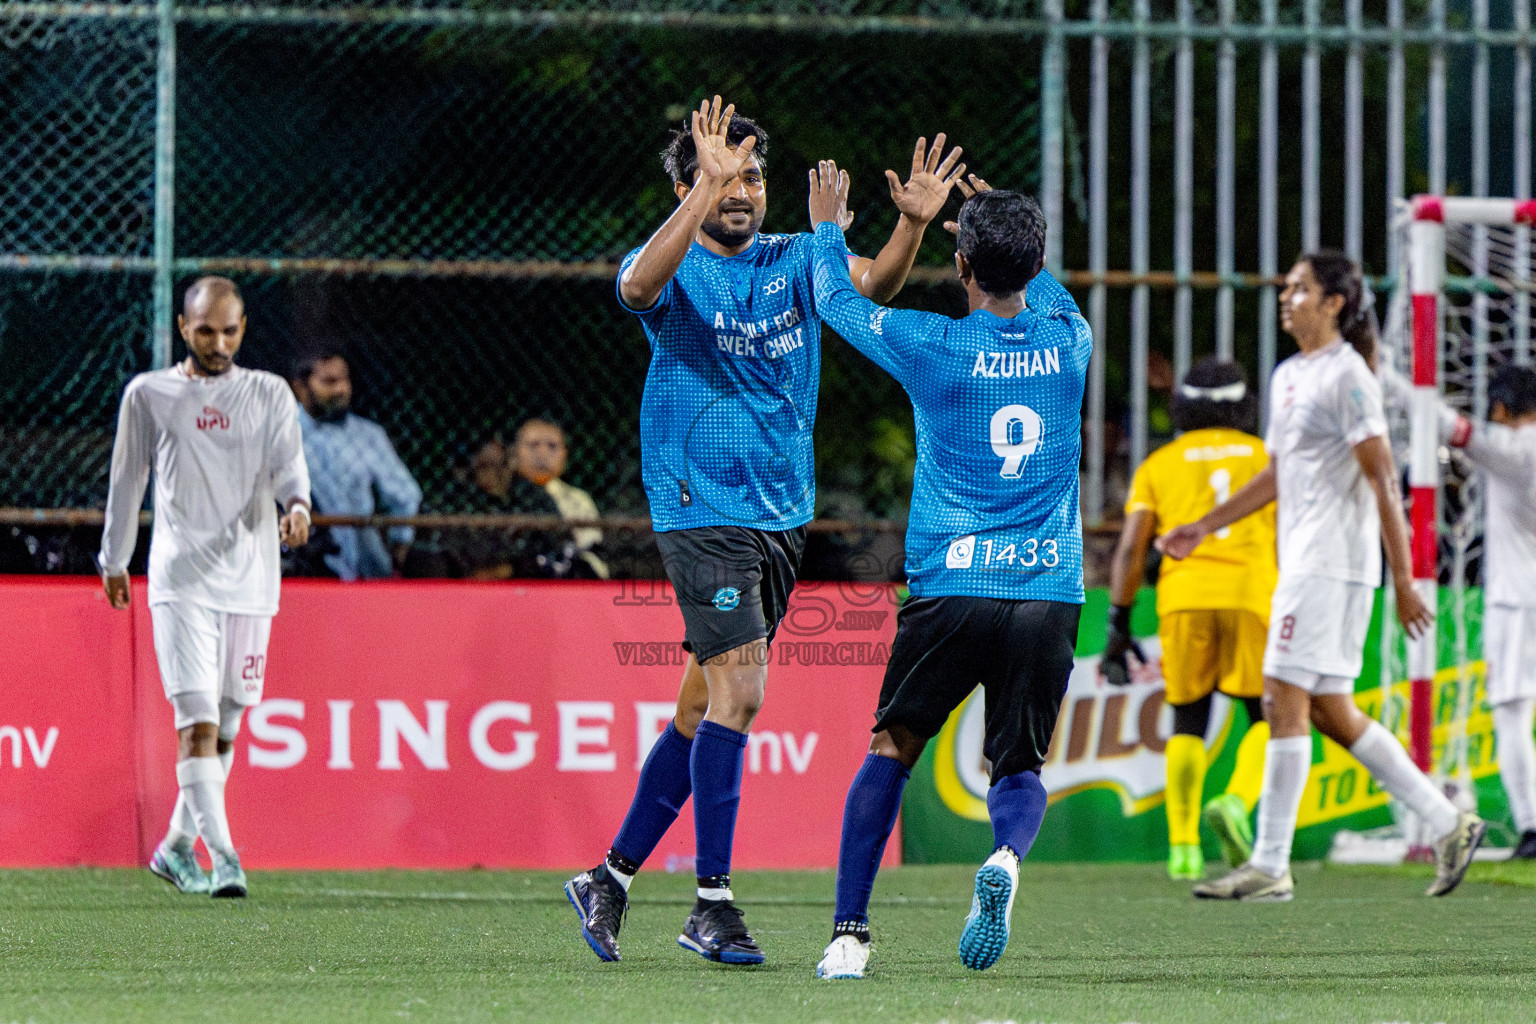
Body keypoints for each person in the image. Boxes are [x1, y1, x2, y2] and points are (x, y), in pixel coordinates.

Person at [563, 96, 964, 966]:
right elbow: (633, 288)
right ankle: (711, 903)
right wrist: (696, 196)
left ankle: (610, 877)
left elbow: (874, 289)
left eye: (750, 175)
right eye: (721, 175)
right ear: (685, 183)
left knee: (702, 704)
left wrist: (910, 229)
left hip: (781, 514)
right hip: (700, 507)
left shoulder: (792, 258)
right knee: (743, 693)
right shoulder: (670, 262)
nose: (740, 189)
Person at [805, 170, 1090, 978]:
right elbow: (1048, 290)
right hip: (1046, 588)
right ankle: (1004, 856)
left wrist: (829, 228)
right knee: (1021, 766)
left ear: (960, 266)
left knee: (892, 746)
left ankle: (849, 939)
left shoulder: (933, 343)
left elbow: (839, 303)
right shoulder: (1072, 340)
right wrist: (1009, 230)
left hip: (954, 585)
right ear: (1033, 268)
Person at [1158, 251, 1485, 901]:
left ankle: (1272, 863)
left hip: (1333, 564)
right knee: (1333, 712)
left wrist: (1406, 578)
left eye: (1300, 288)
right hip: (1305, 561)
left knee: (1279, 694)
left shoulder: (1349, 377)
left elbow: (1383, 477)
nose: (1287, 297)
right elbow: (1276, 476)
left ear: (1334, 302)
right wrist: (1204, 526)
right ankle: (1451, 824)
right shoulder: (1286, 376)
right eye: (1285, 287)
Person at [98, 277, 311, 899]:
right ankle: (224, 858)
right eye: (205, 330)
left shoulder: (269, 392)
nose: (218, 342)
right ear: (183, 328)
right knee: (194, 722)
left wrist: (297, 506)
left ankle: (171, 849)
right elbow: (125, 481)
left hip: (251, 578)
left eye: (229, 330)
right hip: (181, 579)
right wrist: (115, 559)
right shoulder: (150, 394)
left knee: (226, 726)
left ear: (242, 329)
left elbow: (289, 467)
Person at [1103, 358, 1274, 881]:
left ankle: (1183, 849)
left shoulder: (1160, 464)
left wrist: (1119, 619)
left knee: (1188, 719)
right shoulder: (1266, 457)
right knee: (1268, 717)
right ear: (1245, 403)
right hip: (1253, 592)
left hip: (1183, 596)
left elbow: (1133, 546)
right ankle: (1238, 805)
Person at [1441, 365, 1536, 859]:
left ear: (1500, 410)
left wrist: (1384, 376)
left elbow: (1449, 427)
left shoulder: (1513, 449)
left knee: (1512, 712)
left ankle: (1532, 824)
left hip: (1519, 601)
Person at [289, 350, 421, 580]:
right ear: (301, 388)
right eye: (329, 382)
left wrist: (400, 544)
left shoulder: (368, 435)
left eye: (344, 380)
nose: (341, 389)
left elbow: (406, 494)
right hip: (306, 556)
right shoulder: (282, 435)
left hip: (364, 554)